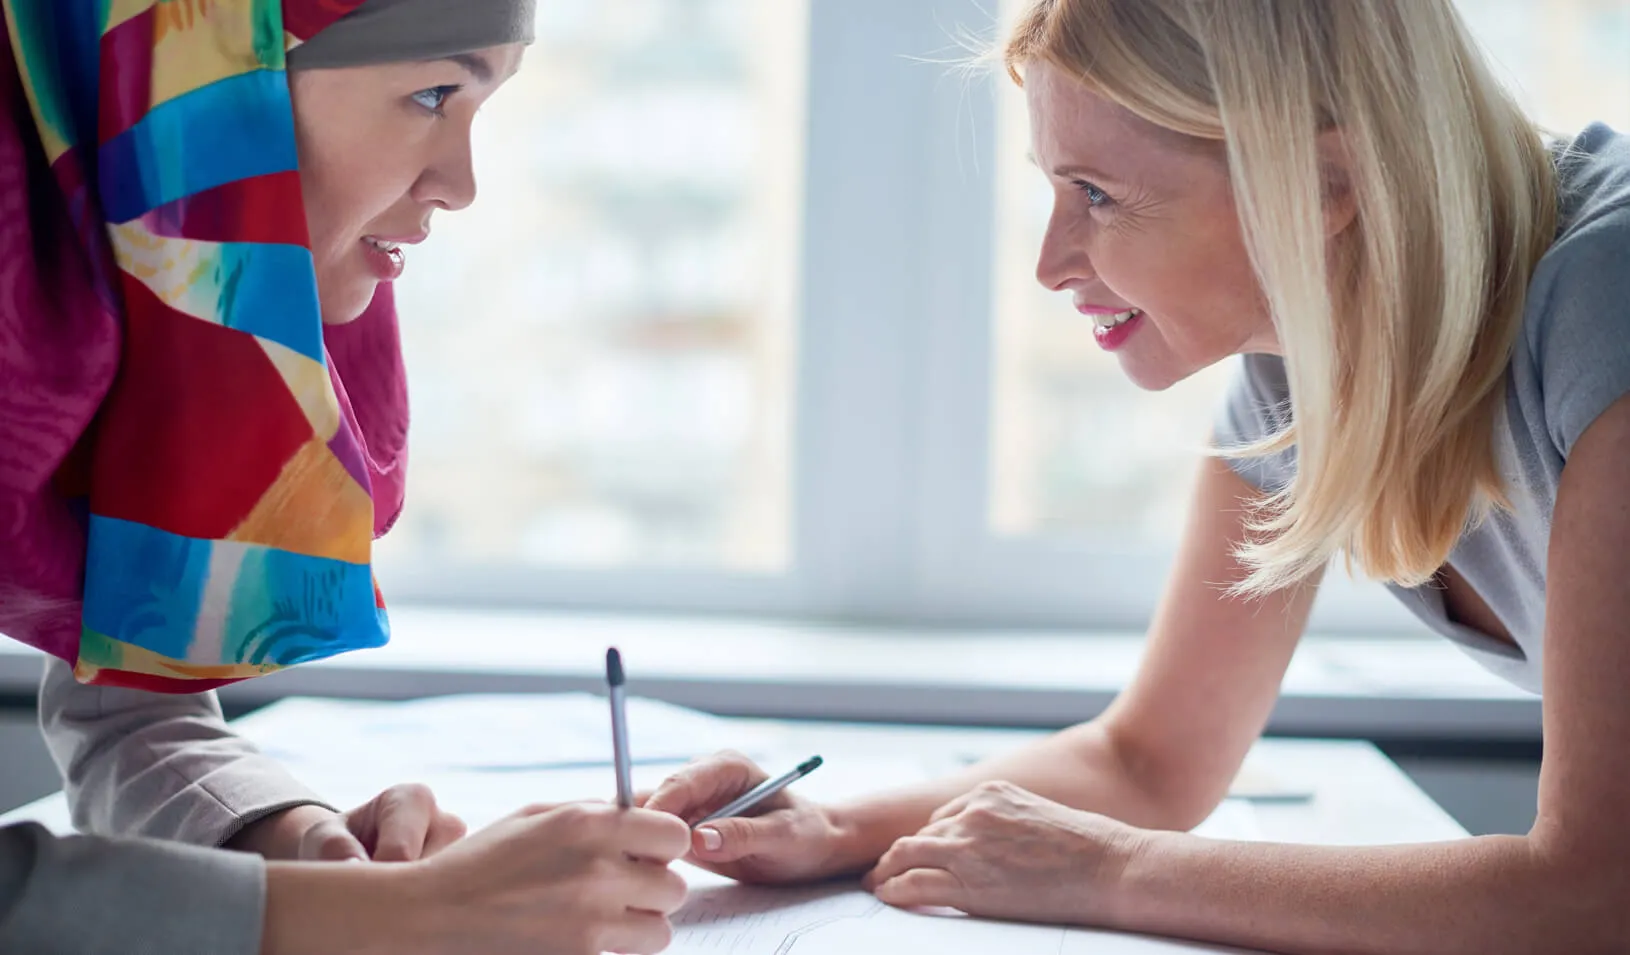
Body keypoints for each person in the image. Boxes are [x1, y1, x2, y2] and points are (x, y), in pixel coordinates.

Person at [644, 1, 1630, 951]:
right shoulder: (1304, 345)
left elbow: (1597, 891)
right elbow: (1150, 759)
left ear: (1319, 186)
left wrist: (1111, 872)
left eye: (1099, 196)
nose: (1050, 260)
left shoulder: (1608, 299)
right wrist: (832, 826)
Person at [0, 1, 688, 952]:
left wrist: (283, 837)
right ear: (206, 89)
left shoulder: (121, 295)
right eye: (433, 93)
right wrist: (407, 916)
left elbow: (124, 713)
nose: (462, 184)